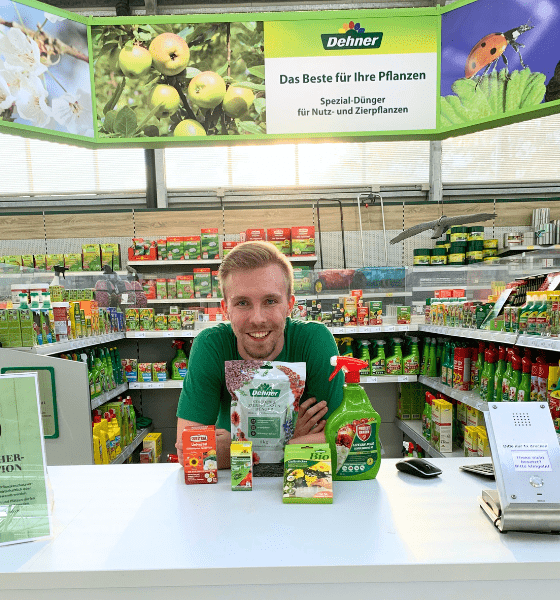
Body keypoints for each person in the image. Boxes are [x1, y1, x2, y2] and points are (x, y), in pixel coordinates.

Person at [175, 240, 343, 468]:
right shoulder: (210, 345)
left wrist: (233, 451)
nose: (257, 319)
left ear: (289, 305)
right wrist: (293, 442)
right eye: (242, 303)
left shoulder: (315, 342)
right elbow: (188, 452)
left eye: (270, 301)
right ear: (226, 308)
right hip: (232, 493)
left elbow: (340, 443)